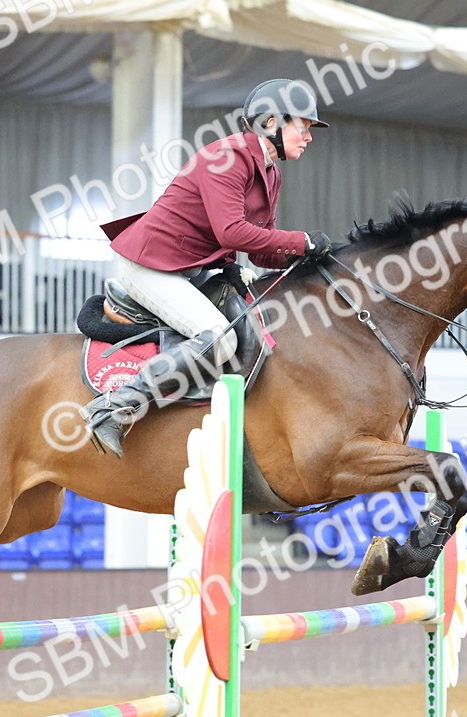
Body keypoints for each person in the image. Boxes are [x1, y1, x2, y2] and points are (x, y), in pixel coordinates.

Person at [81, 78, 333, 457]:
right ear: (270, 123)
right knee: (218, 337)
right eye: (304, 125)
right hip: (150, 266)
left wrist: (307, 256)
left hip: (188, 269)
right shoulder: (229, 157)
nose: (309, 136)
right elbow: (232, 232)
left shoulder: (270, 172)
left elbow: (261, 251)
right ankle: (113, 409)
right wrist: (301, 241)